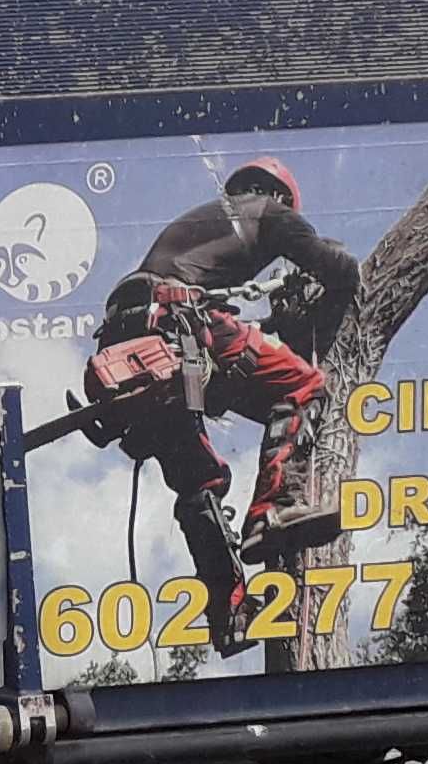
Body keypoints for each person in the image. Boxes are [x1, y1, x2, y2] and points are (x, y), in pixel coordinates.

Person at [74, 157, 363, 651]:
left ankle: (229, 614)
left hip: (132, 342)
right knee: (302, 386)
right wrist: (337, 271)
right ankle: (275, 508)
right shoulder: (268, 211)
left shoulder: (198, 226)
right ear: (278, 194)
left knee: (199, 483)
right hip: (178, 323)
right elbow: (336, 267)